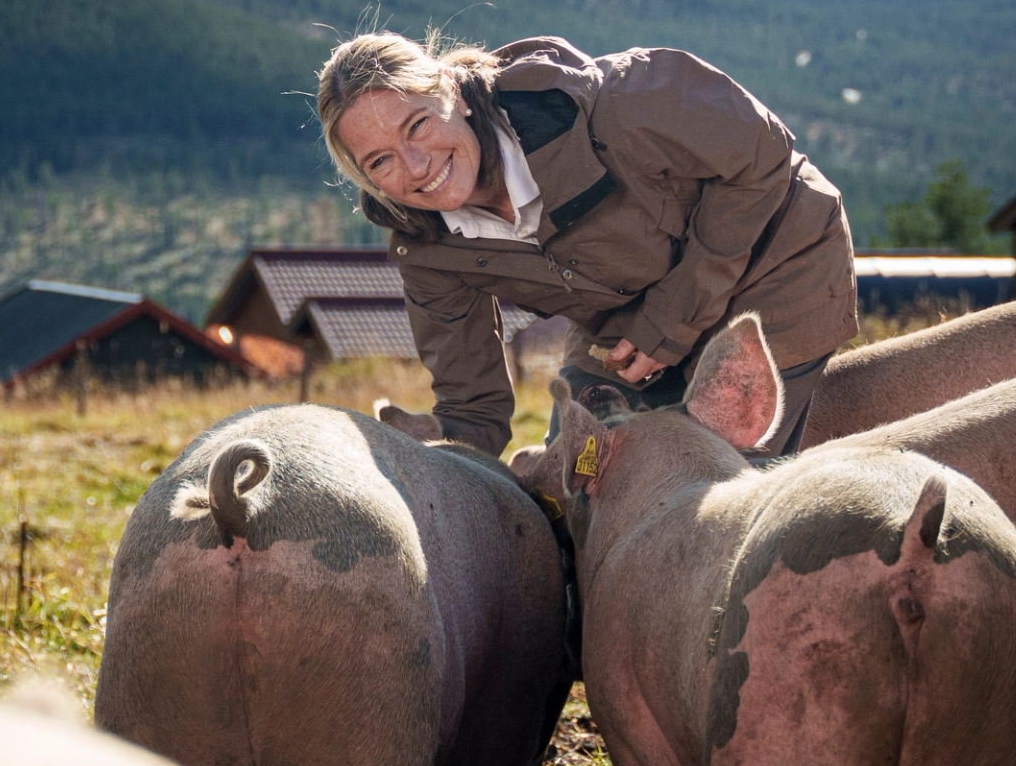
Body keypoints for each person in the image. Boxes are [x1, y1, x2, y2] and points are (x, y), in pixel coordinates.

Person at [318, 30, 858, 453]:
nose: (416, 167)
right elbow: (471, 406)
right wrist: (425, 467)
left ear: (453, 96)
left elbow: (761, 155)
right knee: (577, 479)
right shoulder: (426, 247)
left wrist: (667, 324)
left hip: (776, 264)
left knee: (717, 477)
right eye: (380, 161)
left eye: (416, 126)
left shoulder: (617, 101)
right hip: (632, 315)